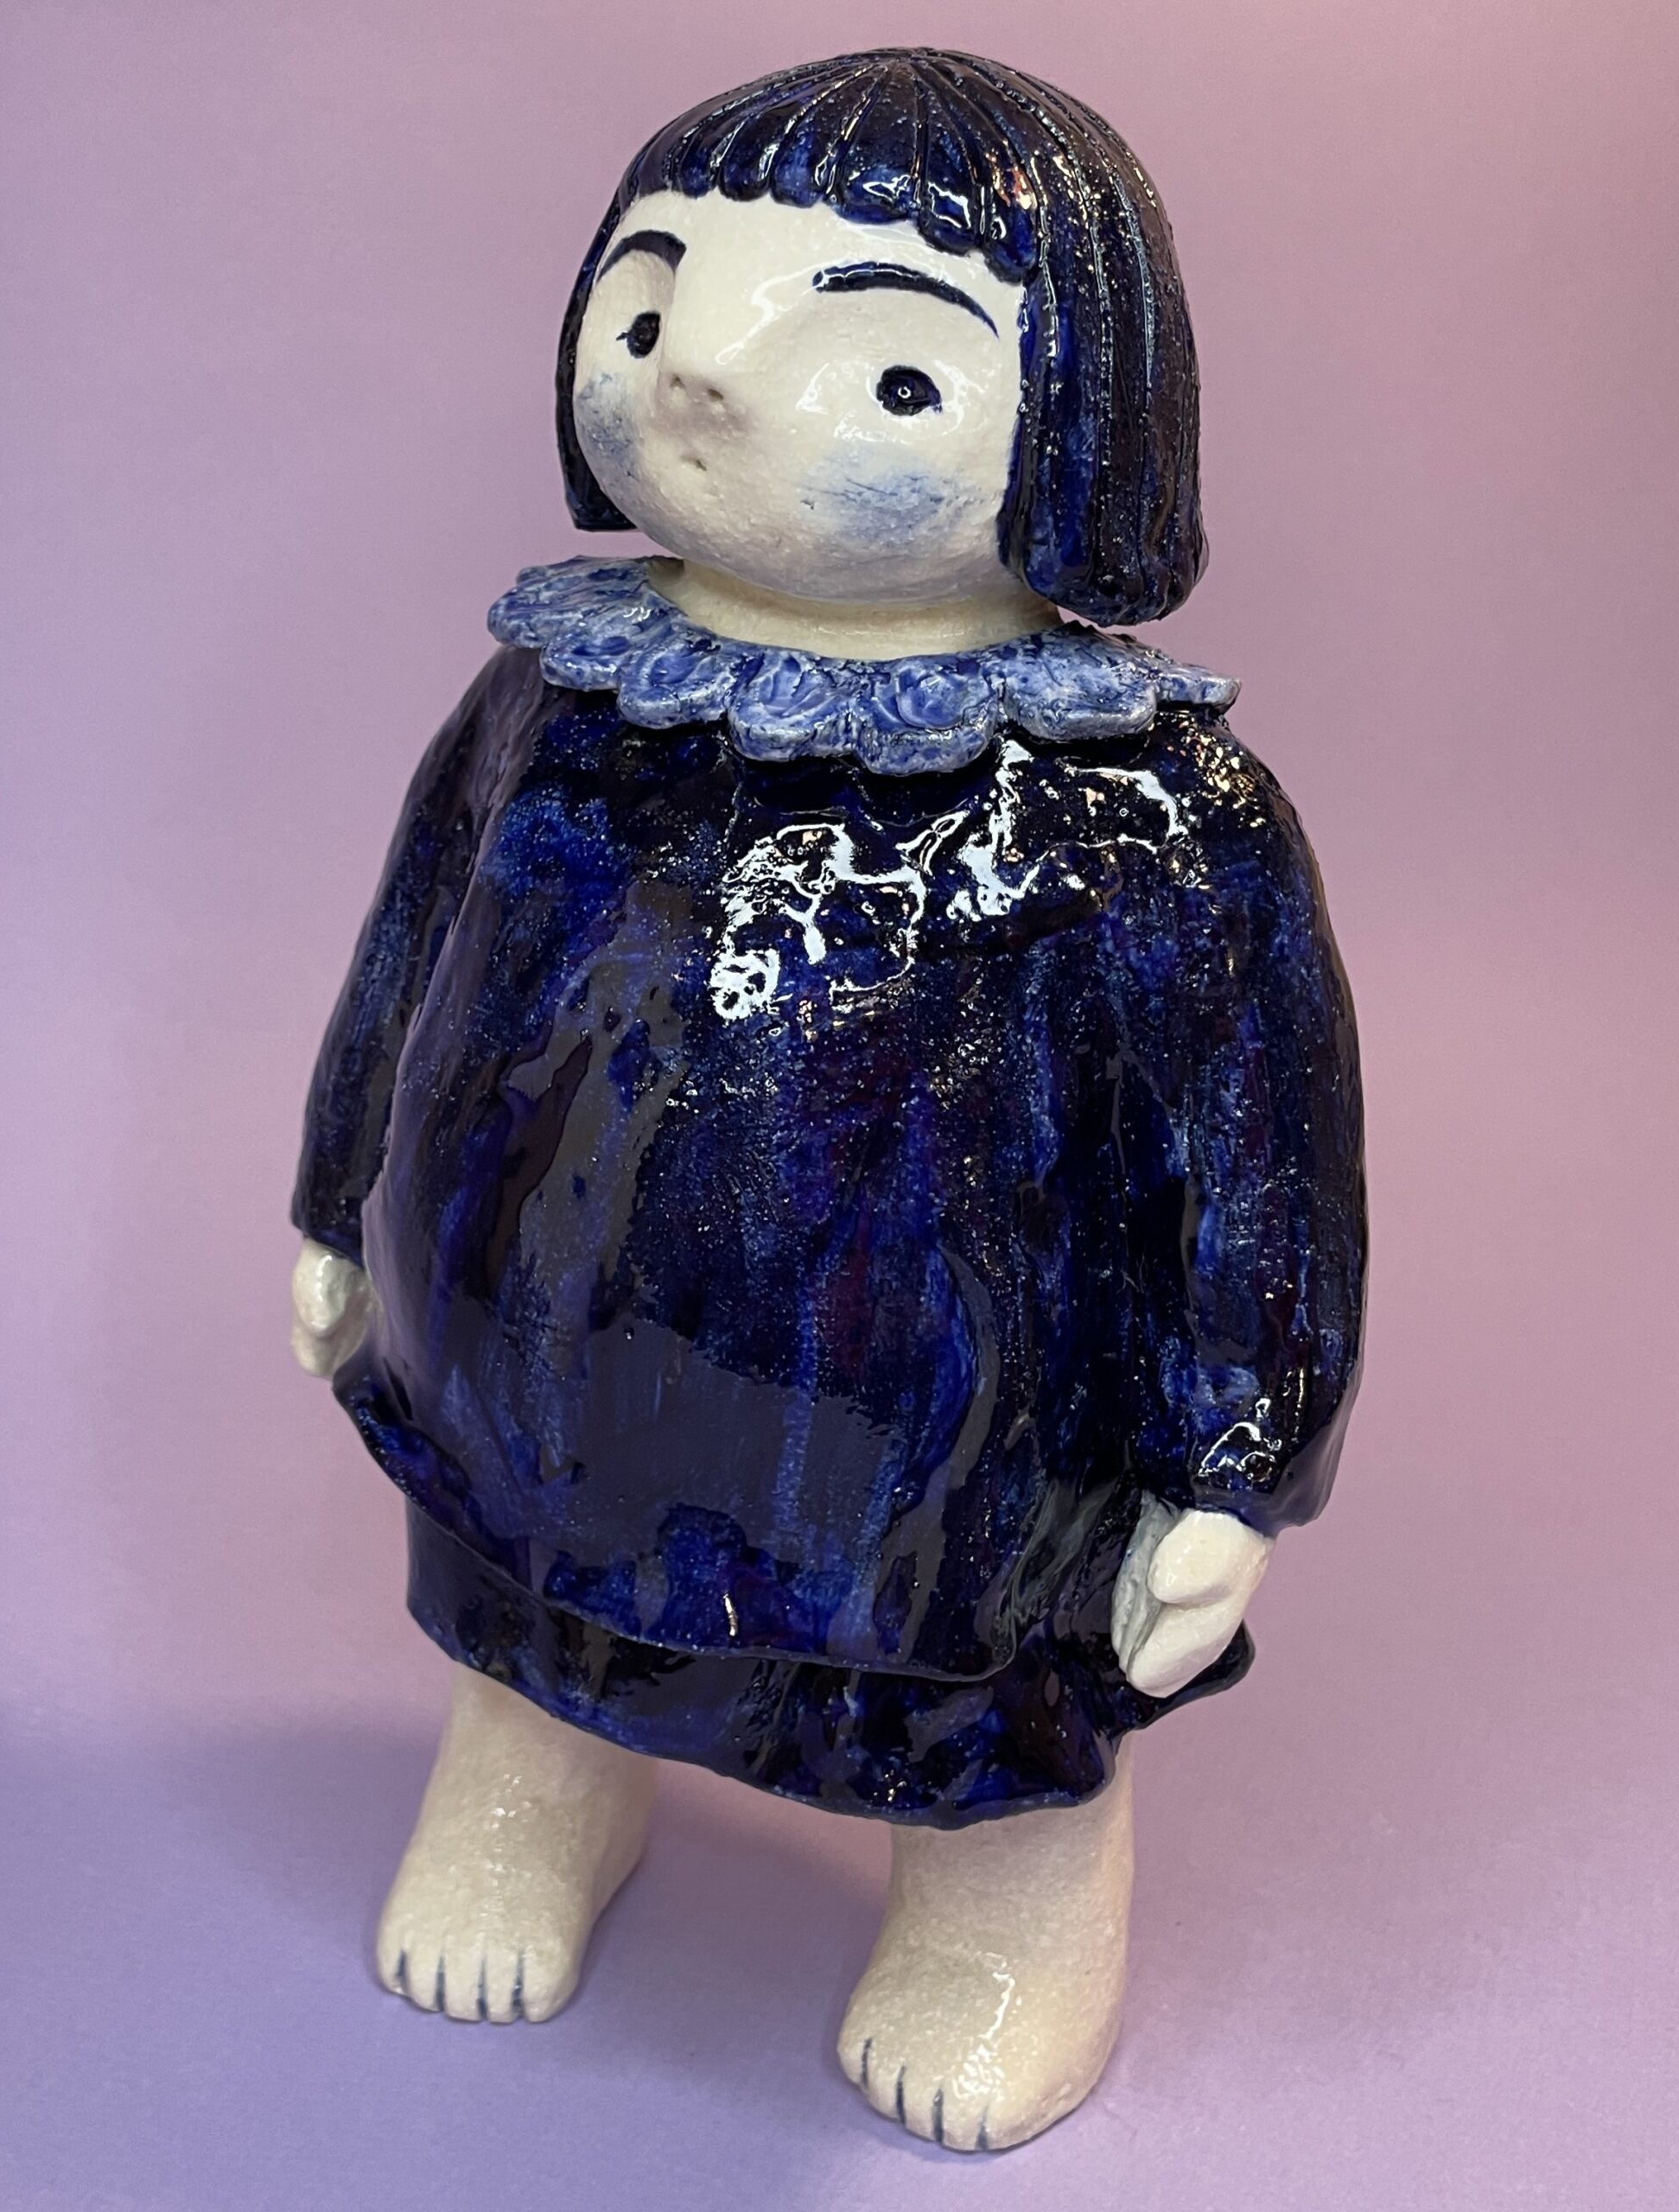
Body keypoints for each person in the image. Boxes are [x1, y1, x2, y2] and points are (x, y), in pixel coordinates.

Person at [289, 48, 1365, 2152]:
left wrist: (1238, 1452)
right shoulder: (549, 696)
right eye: (654, 306)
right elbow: (409, 940)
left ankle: (1003, 1918)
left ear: (1083, 431)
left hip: (948, 1443)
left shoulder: (1145, 813)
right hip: (532, 1346)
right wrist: (337, 1192)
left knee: (972, 1694)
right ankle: (531, 1786)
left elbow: (1258, 1148)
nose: (704, 374)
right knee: (520, 1588)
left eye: (881, 368)